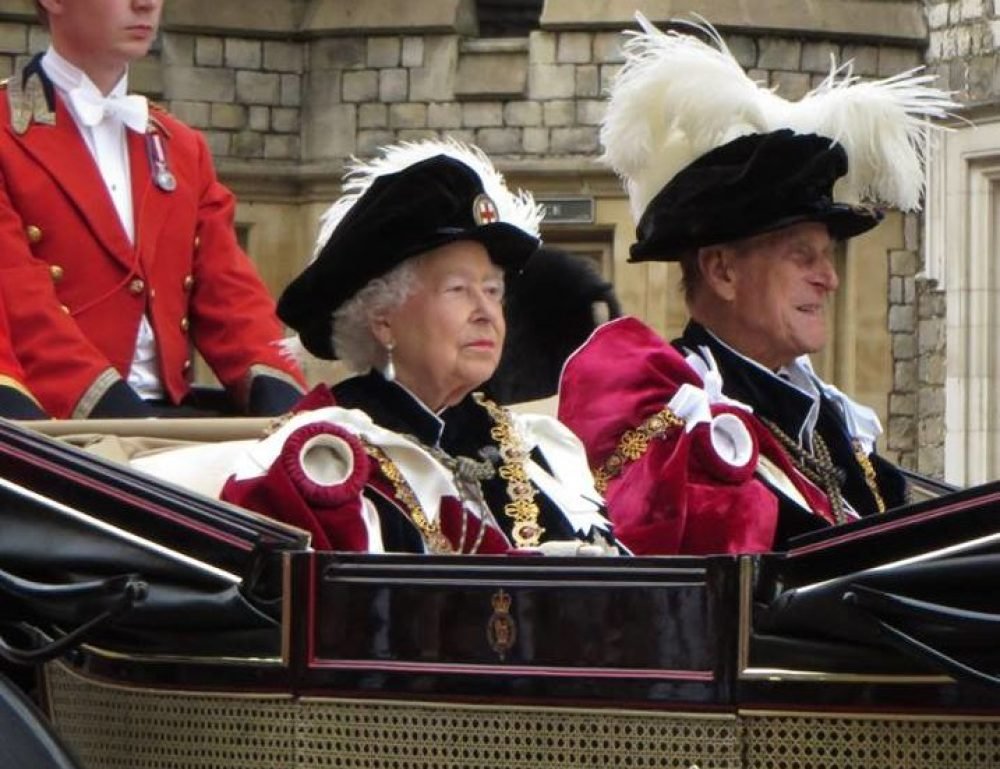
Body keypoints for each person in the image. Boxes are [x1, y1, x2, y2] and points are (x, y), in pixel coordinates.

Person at [558, 15, 954, 553]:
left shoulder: (829, 424)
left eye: (829, 256)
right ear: (722, 270)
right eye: (802, 256)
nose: (830, 279)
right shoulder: (669, 413)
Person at [221, 140, 617, 555]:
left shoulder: (540, 450)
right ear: (383, 319)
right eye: (458, 289)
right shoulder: (327, 459)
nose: (486, 312)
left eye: (492, 290)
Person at [0, 0, 306, 419]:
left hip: (170, 425)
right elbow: (22, 302)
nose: (145, 4)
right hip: (55, 429)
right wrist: (124, 420)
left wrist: (289, 409)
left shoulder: (180, 146)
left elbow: (233, 299)